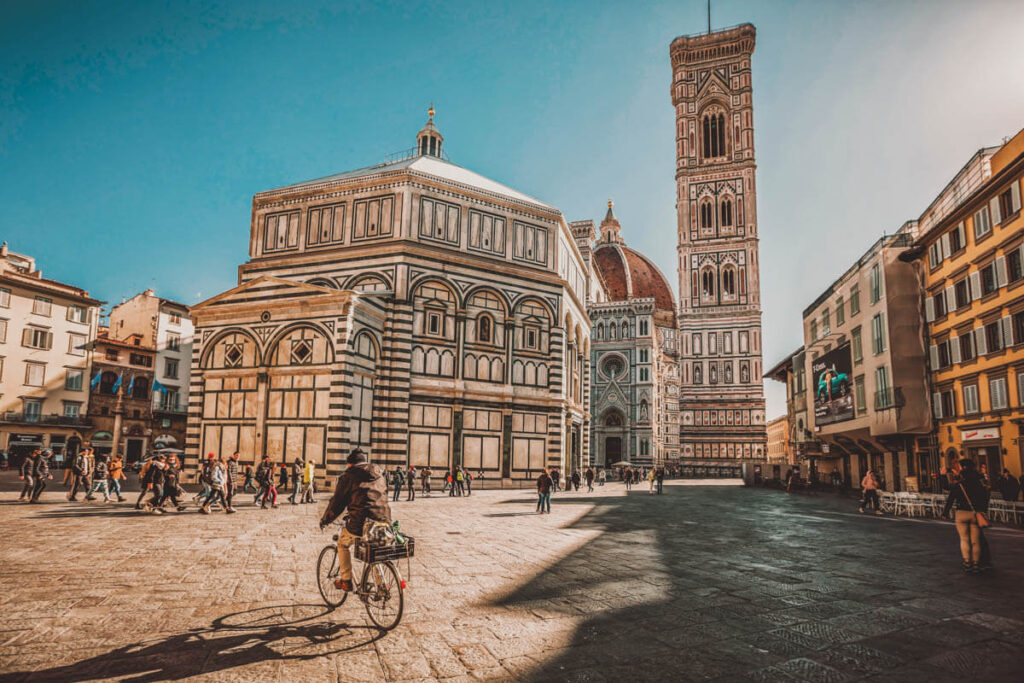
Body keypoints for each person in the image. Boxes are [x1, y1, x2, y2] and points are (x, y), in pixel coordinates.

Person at [319, 448, 392, 592]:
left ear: (350, 464)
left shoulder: (349, 475)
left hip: (361, 523)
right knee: (373, 548)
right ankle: (382, 585)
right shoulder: (379, 473)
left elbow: (337, 502)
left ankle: (346, 580)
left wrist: (326, 519)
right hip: (384, 521)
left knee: (342, 543)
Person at [942, 459, 992, 573]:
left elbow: (950, 497)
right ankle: (976, 564)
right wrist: (983, 511)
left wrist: (945, 513)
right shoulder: (979, 483)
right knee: (976, 541)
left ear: (963, 470)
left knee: (964, 539)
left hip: (961, 513)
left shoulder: (959, 485)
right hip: (975, 513)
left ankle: (967, 562)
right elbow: (985, 498)